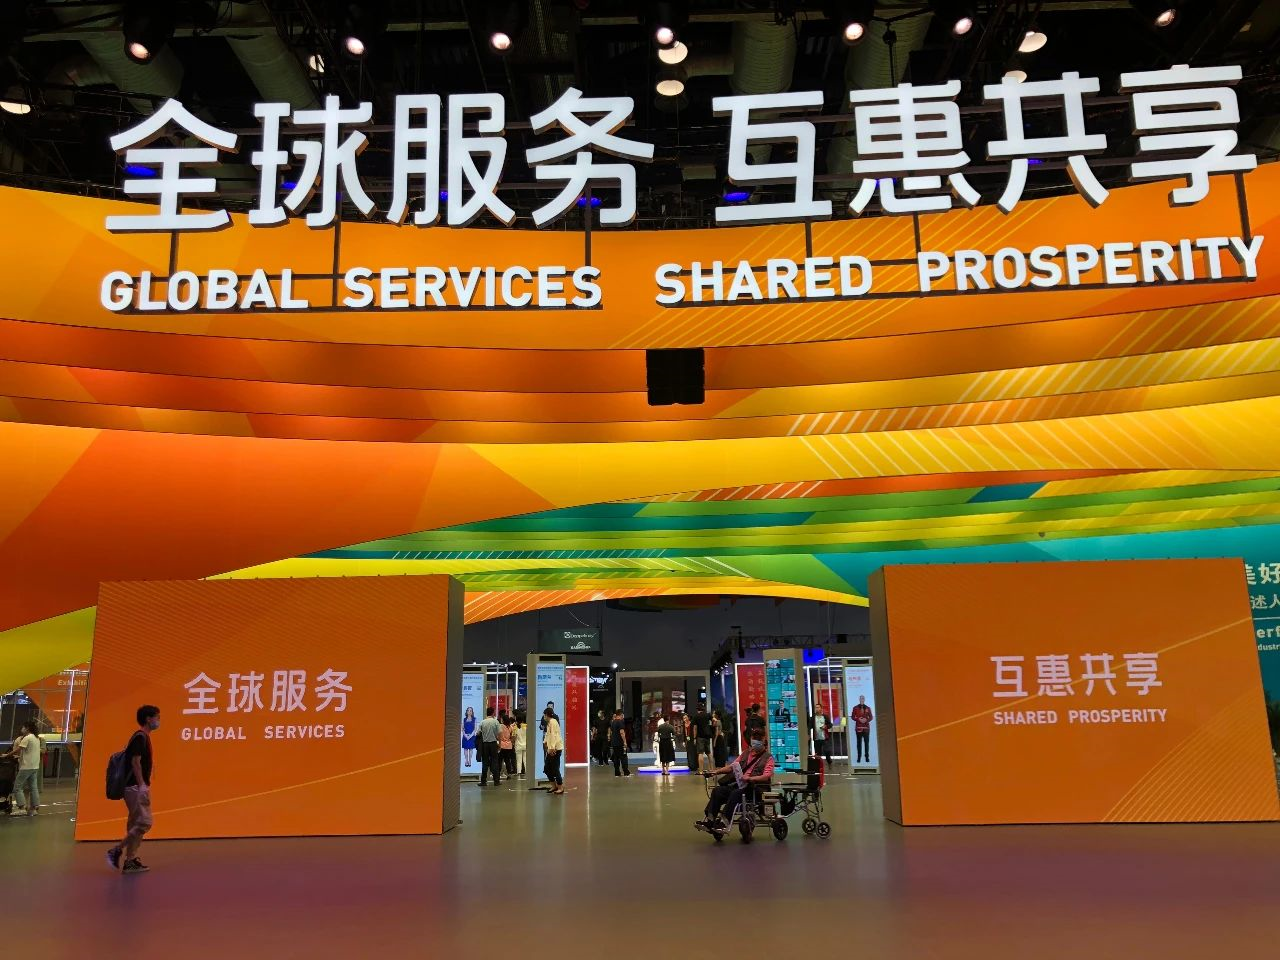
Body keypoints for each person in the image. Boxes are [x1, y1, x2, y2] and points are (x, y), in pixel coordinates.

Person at [106, 705, 160, 875]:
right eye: (157, 717)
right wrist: (142, 784)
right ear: (148, 719)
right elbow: (135, 762)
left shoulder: (142, 737)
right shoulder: (140, 737)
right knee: (144, 822)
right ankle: (117, 850)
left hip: (135, 787)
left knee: (135, 824)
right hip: (135, 787)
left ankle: (130, 860)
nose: (158, 721)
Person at [699, 736, 774, 831]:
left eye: (758, 742)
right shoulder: (746, 753)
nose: (755, 745)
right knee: (717, 791)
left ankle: (724, 822)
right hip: (740, 786)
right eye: (754, 742)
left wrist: (751, 778)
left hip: (755, 789)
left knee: (736, 793)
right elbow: (731, 767)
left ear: (763, 742)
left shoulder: (768, 758)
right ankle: (710, 820)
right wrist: (716, 772)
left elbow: (766, 776)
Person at [7, 721, 42, 817]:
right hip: (35, 766)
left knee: (17, 787)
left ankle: (22, 808)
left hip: (26, 766)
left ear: (27, 728)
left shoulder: (27, 738)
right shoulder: (36, 738)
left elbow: (18, 749)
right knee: (33, 787)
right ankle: (34, 808)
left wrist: (7, 755)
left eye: (23, 727)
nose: (22, 729)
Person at [542, 707, 564, 795]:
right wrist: (545, 742)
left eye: (544, 715)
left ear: (547, 715)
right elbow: (548, 735)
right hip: (551, 748)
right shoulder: (549, 723)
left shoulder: (553, 722)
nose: (544, 716)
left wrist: (552, 747)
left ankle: (560, 787)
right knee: (547, 769)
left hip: (555, 749)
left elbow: (554, 735)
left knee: (555, 768)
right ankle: (554, 786)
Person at [478, 706, 502, 786]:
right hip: (493, 744)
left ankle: (483, 781)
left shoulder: (482, 722)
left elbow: (478, 733)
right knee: (495, 762)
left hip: (485, 744)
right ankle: (496, 781)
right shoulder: (495, 722)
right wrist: (500, 744)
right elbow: (499, 733)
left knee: (485, 762)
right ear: (493, 713)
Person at [852, 696, 874, 764]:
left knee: (866, 743)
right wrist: (858, 719)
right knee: (859, 744)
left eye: (863, 698)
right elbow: (853, 717)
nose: (862, 699)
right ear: (859, 699)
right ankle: (859, 757)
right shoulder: (855, 708)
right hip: (858, 728)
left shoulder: (868, 708)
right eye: (861, 698)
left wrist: (866, 720)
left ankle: (867, 757)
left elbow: (871, 717)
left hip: (866, 728)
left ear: (864, 700)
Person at [609, 709, 631, 777]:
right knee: (624, 757)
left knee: (616, 758)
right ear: (621, 714)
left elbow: (611, 732)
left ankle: (617, 773)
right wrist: (625, 742)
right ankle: (626, 772)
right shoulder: (620, 722)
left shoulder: (613, 722)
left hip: (614, 743)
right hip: (620, 743)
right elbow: (622, 732)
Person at [498, 713, 516, 778]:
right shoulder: (510, 727)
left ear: (503, 720)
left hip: (502, 745)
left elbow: (498, 735)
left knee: (500, 760)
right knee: (507, 760)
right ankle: (509, 773)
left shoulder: (500, 726)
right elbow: (513, 736)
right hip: (509, 746)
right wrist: (510, 741)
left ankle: (498, 773)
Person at [512, 713, 527, 778]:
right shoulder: (526, 726)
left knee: (518, 760)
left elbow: (514, 737)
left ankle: (519, 772)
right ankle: (526, 771)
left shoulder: (515, 727)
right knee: (525, 759)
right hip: (525, 745)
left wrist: (513, 742)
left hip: (518, 745)